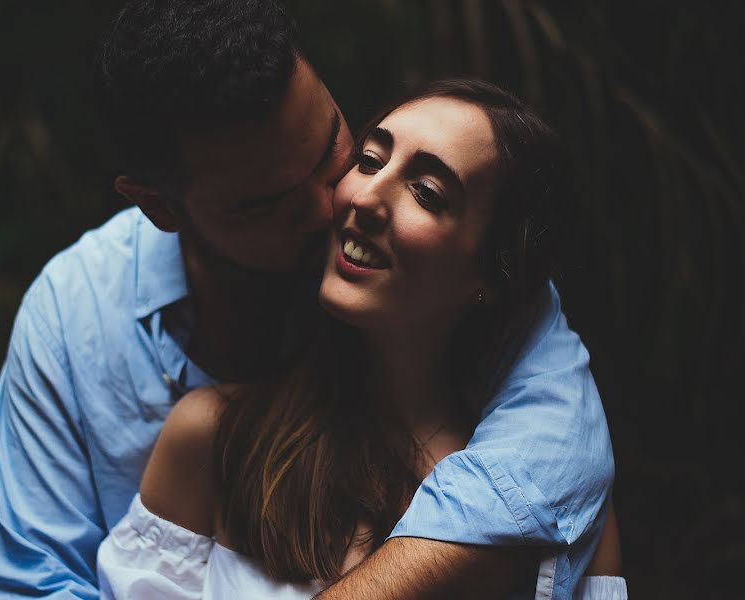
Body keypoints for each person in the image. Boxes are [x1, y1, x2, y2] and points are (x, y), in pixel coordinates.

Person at [0, 2, 614, 598]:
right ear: (161, 207)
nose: (334, 203)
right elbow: (31, 582)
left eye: (335, 148)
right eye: (263, 203)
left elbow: (562, 444)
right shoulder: (79, 324)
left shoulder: (480, 315)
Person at [95, 78, 627, 600]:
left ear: (490, 275)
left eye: (426, 192)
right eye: (369, 161)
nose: (366, 196)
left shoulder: (559, 517)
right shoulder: (214, 439)